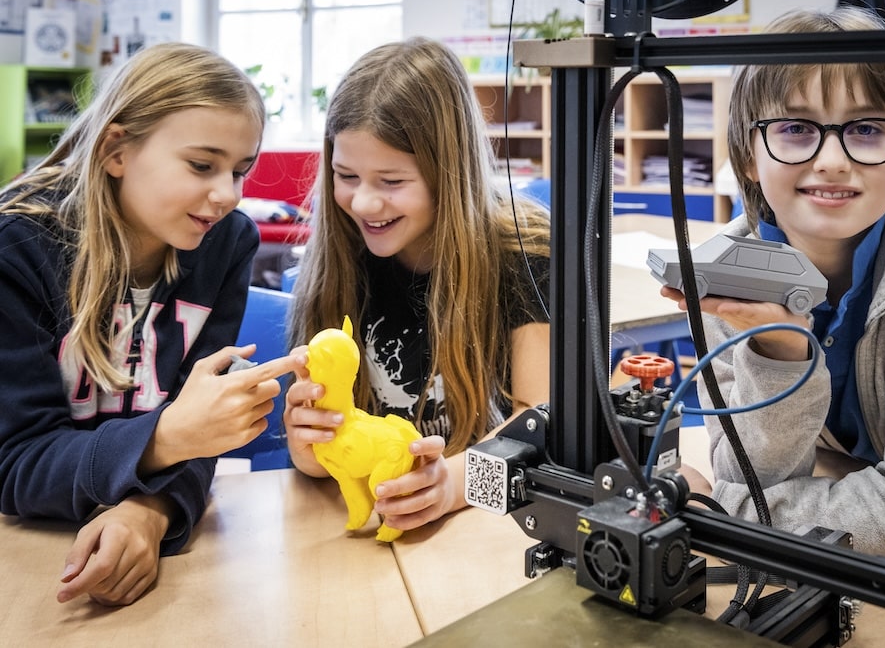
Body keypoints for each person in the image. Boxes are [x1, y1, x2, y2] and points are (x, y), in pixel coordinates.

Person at [0, 42, 302, 606]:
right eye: (201, 165)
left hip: (156, 553)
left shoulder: (228, 244)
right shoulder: (17, 249)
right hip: (30, 556)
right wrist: (165, 438)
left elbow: (204, 432)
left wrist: (151, 511)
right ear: (117, 150)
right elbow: (16, 463)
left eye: (241, 170)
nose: (228, 195)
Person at [662, 6, 885, 559]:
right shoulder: (727, 269)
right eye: (795, 129)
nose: (833, 161)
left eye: (867, 130)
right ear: (748, 154)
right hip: (840, 561)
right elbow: (747, 468)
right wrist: (781, 351)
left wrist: (725, 512)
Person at [283, 37, 551, 534]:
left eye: (391, 181)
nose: (363, 203)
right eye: (346, 175)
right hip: (370, 531)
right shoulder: (338, 258)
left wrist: (456, 485)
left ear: (450, 175)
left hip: (492, 524)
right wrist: (308, 448)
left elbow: (543, 426)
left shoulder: (527, 255)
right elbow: (319, 464)